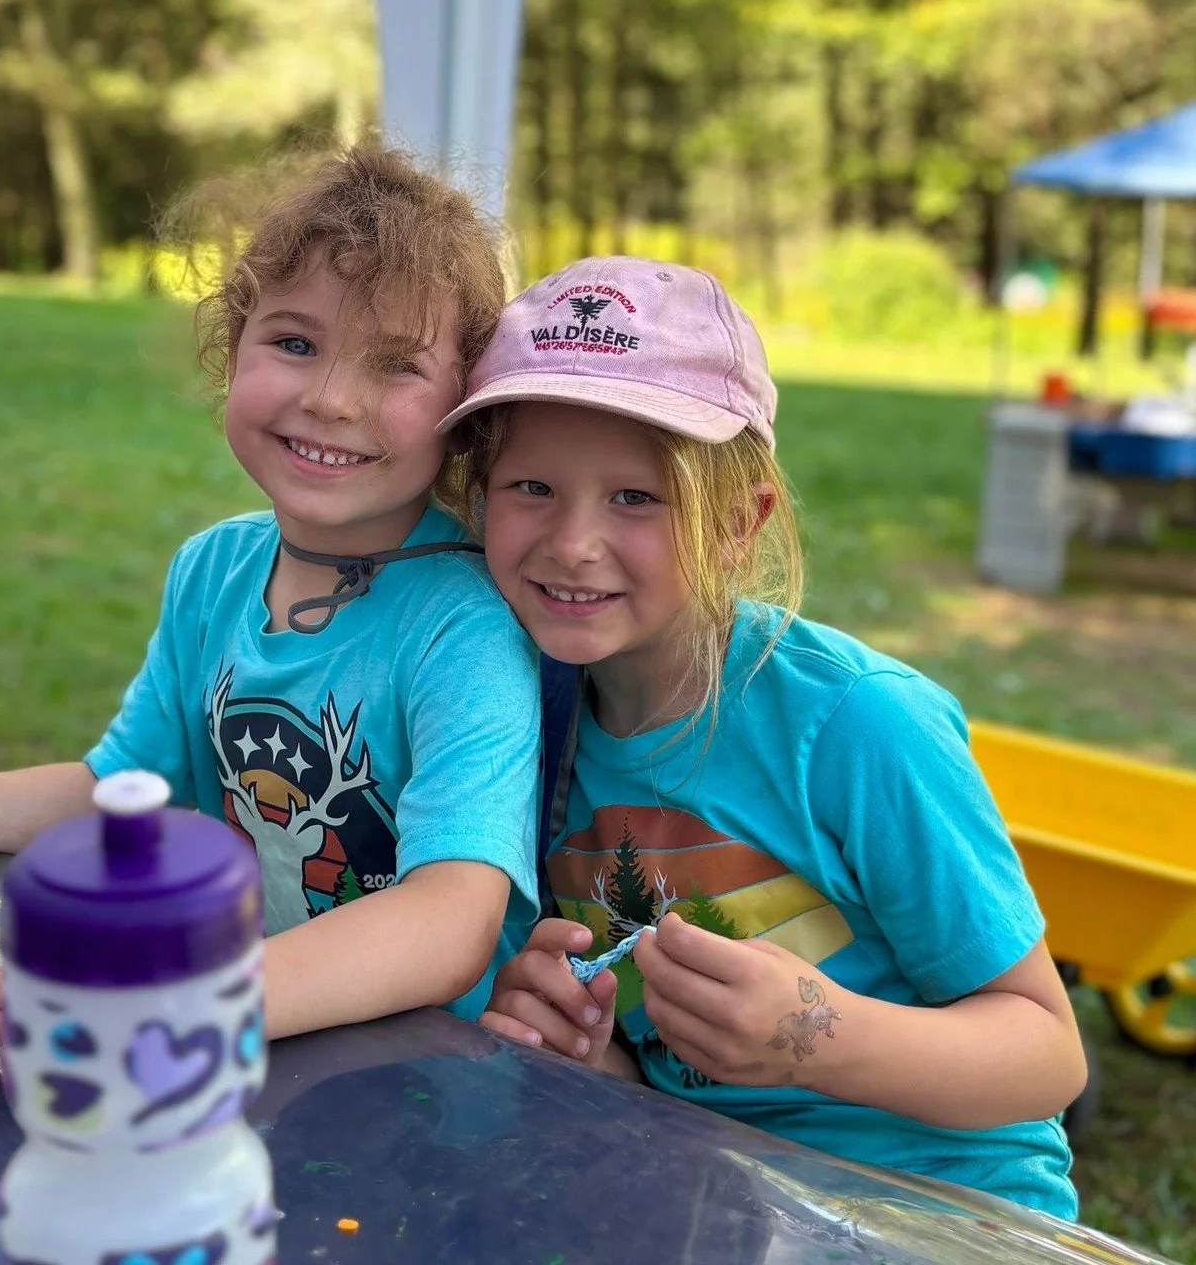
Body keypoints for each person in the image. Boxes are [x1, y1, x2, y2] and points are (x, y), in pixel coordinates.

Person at [0, 148, 541, 1044]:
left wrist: (173, 1001)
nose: (330, 399)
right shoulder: (213, 572)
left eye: (395, 365)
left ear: (466, 406)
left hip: (417, 1086)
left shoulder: (464, 628)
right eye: (294, 343)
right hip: (234, 1051)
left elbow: (451, 920)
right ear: (231, 350)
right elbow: (115, 787)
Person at [439, 256, 1086, 1218]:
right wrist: (592, 1050)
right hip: (705, 1196)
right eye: (532, 485)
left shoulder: (857, 725)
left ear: (741, 523)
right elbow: (656, 1083)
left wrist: (816, 1036)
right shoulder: (512, 725)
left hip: (941, 1210)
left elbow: (1047, 1054)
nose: (573, 542)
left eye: (637, 498)